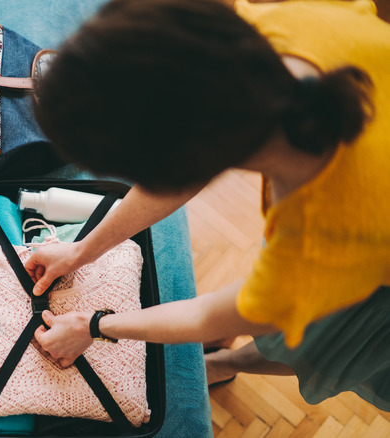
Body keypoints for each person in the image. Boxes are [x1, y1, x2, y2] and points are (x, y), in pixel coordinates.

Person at [26, 0, 390, 410]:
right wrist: (80, 250)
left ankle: (225, 363)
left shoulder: (318, 245)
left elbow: (216, 315)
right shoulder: (280, 25)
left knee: (325, 346)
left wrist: (92, 325)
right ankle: (228, 360)